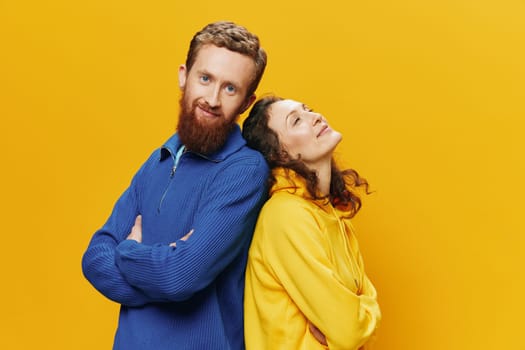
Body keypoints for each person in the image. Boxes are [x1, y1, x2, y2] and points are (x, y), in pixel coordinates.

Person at [81, 21, 268, 350]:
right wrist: (164, 265)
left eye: (229, 88)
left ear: (246, 102)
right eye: (205, 78)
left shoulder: (245, 170)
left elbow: (181, 276)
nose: (211, 98)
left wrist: (128, 251)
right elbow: (95, 258)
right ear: (184, 76)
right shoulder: (158, 160)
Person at [242, 96, 381, 349]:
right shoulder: (286, 215)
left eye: (308, 110)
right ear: (280, 153)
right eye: (296, 120)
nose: (315, 117)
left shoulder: (335, 217)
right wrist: (355, 321)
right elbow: (350, 331)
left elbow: (359, 323)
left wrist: (358, 318)